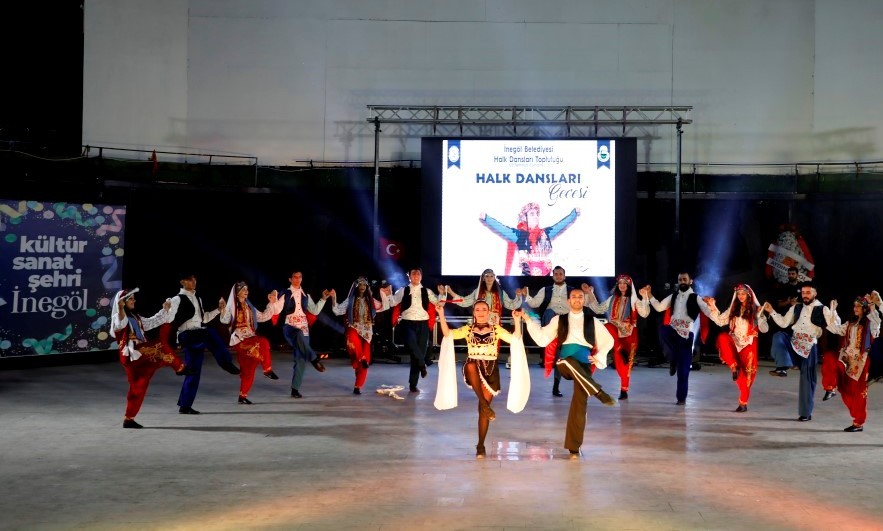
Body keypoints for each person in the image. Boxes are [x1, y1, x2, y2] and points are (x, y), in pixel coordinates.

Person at [524, 288, 616, 459]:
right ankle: (598, 391)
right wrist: (529, 320)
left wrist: (599, 356)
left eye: (580, 297)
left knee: (579, 405)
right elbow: (543, 338)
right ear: (568, 301)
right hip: (565, 364)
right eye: (573, 297)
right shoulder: (559, 320)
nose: (577, 300)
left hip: (584, 367)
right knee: (567, 361)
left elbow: (608, 340)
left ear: (584, 300)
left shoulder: (592, 321)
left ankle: (574, 448)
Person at [435, 301, 529, 458]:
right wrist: (441, 314)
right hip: (474, 367)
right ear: (473, 312)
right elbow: (448, 334)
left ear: (488, 312)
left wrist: (517, 321)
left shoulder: (496, 329)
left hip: (491, 370)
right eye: (477, 309)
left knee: (482, 412)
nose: (480, 312)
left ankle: (480, 444)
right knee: (470, 365)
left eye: (483, 309)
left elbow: (515, 338)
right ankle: (485, 405)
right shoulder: (468, 329)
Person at [111, 288, 188, 429]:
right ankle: (179, 367)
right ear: (122, 302)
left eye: (134, 298)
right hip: (133, 355)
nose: (134, 300)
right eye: (131, 298)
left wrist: (164, 310)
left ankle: (129, 418)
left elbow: (152, 322)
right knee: (160, 345)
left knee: (138, 387)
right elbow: (120, 323)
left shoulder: (136, 317)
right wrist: (121, 308)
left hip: (140, 357)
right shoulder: (119, 317)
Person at [165, 272, 238, 415]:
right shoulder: (177, 299)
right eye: (190, 280)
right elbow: (169, 318)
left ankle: (185, 405)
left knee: (194, 371)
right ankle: (226, 363)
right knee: (210, 334)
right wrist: (166, 307)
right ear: (183, 282)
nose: (194, 282)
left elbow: (203, 318)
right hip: (187, 335)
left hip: (198, 332)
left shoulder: (197, 298)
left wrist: (219, 309)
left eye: (195, 280)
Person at [763, 281, 836, 421]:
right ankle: (782, 367)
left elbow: (834, 325)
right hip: (794, 342)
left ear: (815, 293)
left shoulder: (823, 309)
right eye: (803, 293)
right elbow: (784, 323)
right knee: (779, 336)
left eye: (808, 292)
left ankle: (805, 413)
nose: (805, 295)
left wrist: (833, 312)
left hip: (809, 346)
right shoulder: (796, 308)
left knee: (807, 380)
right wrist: (771, 311)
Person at [522, 265, 591, 397]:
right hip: (551, 322)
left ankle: (557, 386)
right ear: (553, 276)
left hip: (567, 323)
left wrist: (588, 293)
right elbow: (534, 303)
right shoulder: (546, 290)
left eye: (560, 274)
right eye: (556, 274)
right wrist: (527, 296)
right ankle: (549, 337)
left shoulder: (572, 291)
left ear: (564, 276)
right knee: (549, 311)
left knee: (562, 356)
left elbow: (585, 303)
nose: (558, 276)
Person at [647, 271, 711, 406]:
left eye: (684, 279)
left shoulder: (696, 297)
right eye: (680, 279)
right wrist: (649, 295)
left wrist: (712, 305)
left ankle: (681, 398)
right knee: (663, 330)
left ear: (690, 281)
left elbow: (708, 311)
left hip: (687, 336)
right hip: (673, 331)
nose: (682, 281)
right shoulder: (674, 296)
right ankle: (673, 360)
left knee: (683, 371)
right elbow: (659, 307)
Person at [704, 284, 769, 412]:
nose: (740, 296)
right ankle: (734, 366)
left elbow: (765, 329)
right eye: (738, 294)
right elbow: (720, 321)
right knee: (722, 337)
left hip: (748, 343)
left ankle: (743, 403)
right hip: (734, 341)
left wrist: (760, 316)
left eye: (743, 294)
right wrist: (712, 306)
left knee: (747, 376)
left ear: (749, 295)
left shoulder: (756, 309)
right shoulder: (733, 308)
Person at [585, 274, 651, 400]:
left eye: (625, 283)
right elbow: (598, 309)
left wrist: (645, 297)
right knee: (602, 340)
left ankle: (624, 390)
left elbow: (644, 313)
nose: (622, 285)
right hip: (613, 331)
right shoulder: (612, 299)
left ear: (629, 286)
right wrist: (590, 293)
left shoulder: (634, 300)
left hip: (628, 334)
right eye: (620, 283)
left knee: (624, 364)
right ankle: (586, 380)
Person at [823, 294, 880, 432]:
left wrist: (872, 305)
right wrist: (832, 312)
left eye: (859, 306)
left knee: (857, 393)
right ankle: (830, 388)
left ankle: (858, 422)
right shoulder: (850, 323)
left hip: (860, 360)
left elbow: (876, 321)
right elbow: (835, 328)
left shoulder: (870, 324)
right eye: (854, 305)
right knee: (830, 357)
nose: (855, 308)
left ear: (865, 309)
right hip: (846, 356)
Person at [330, 277, 392, 395]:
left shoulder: (371, 300)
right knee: (353, 338)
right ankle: (361, 358)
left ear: (367, 287)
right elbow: (337, 311)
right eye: (360, 284)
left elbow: (385, 306)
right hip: (354, 327)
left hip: (367, 332)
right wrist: (333, 297)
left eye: (364, 285)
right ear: (356, 286)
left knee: (364, 363)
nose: (362, 287)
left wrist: (384, 294)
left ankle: (357, 386)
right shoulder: (350, 300)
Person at [479, 203, 580, 276]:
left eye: (537, 214)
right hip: (527, 278)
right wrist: (486, 218)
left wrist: (573, 214)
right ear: (525, 218)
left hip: (545, 276)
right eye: (532, 214)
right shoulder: (519, 235)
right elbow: (502, 228)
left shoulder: (546, 233)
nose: (536, 216)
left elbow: (560, 225)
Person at [225, 281, 282, 405]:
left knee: (248, 370)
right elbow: (224, 320)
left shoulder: (249, 306)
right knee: (263, 342)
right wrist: (222, 311)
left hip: (250, 337)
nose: (246, 291)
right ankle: (267, 370)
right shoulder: (231, 307)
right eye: (243, 289)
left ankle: (242, 396)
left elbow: (262, 317)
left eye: (247, 289)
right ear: (237, 292)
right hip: (240, 340)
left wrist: (271, 303)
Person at [388, 267, 441, 393]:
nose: (416, 276)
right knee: (412, 346)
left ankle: (413, 383)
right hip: (408, 323)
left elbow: (439, 303)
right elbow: (392, 303)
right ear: (410, 276)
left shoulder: (427, 291)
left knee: (418, 354)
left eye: (418, 274)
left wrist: (442, 293)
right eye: (413, 273)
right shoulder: (403, 290)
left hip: (423, 323)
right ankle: (423, 365)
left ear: (421, 276)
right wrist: (388, 294)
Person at [278, 271, 329, 399]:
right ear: (290, 279)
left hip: (304, 328)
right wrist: (273, 301)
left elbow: (315, 310)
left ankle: (295, 389)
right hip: (290, 327)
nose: (297, 279)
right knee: (298, 333)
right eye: (295, 277)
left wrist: (323, 298)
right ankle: (314, 359)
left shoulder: (306, 295)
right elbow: (277, 309)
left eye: (300, 277)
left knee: (300, 358)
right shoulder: (284, 293)